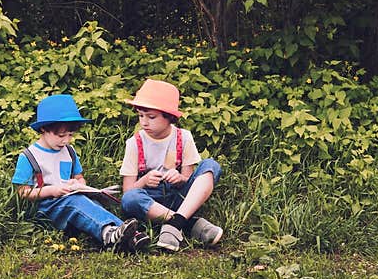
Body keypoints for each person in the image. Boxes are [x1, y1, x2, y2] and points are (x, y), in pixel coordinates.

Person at [12, 93, 149, 253]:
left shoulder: (69, 151)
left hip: (68, 201)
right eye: (61, 135)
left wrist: (78, 185)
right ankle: (110, 235)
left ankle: (126, 236)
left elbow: (79, 177)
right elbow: (22, 192)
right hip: (46, 208)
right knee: (75, 203)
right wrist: (51, 190)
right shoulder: (29, 156)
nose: (66, 141)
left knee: (92, 205)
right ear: (43, 128)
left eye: (70, 135)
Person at [119, 78, 223, 252]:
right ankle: (184, 222)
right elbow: (128, 190)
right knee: (131, 199)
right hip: (151, 202)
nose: (144, 122)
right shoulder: (134, 143)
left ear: (169, 117)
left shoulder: (183, 137)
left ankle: (176, 222)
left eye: (151, 117)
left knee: (211, 165)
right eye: (140, 115)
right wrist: (144, 181)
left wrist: (180, 179)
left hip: (179, 197)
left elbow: (188, 180)